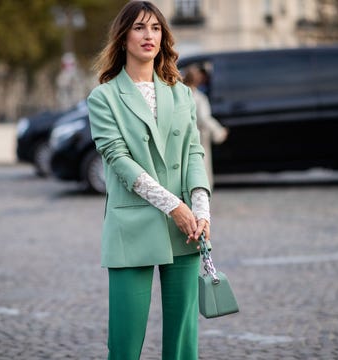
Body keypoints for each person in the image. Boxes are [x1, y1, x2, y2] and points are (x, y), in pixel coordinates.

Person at [87, 2, 211, 359]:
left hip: (185, 228)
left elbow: (193, 152)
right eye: (140, 28)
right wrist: (174, 206)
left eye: (156, 28)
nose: (149, 36)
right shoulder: (104, 97)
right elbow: (118, 159)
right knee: (124, 343)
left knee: (183, 342)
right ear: (123, 37)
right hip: (132, 226)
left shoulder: (181, 92)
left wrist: (201, 210)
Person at [183, 65, 229, 188]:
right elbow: (204, 118)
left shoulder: (179, 94)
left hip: (182, 136)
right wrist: (219, 132)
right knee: (202, 165)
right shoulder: (199, 97)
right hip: (199, 136)